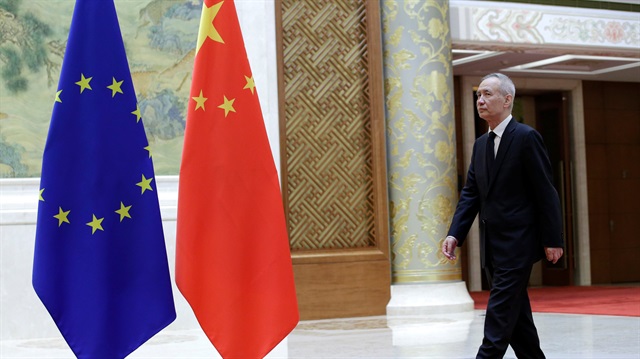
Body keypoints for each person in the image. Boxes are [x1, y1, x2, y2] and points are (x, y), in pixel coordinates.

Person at [442, 73, 564, 358]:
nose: (480, 100)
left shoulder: (526, 138)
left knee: (497, 320)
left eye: (487, 94)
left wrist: (553, 238)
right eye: (478, 95)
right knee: (519, 324)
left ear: (507, 100)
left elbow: (546, 192)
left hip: (518, 245)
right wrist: (454, 234)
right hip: (492, 247)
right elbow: (471, 193)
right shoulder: (481, 145)